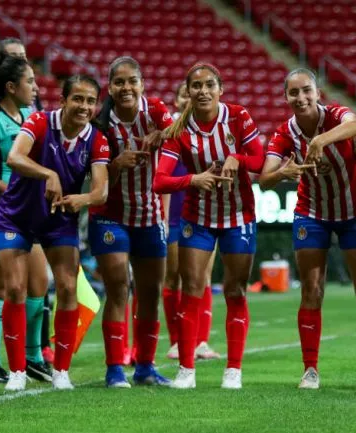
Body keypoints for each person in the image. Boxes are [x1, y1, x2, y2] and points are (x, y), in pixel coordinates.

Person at [257, 68, 356, 390]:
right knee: (311, 289)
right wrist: (281, 173)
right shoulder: (284, 133)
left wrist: (319, 139)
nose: (300, 98)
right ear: (286, 97)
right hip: (311, 213)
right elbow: (264, 177)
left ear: (318, 93)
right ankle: (310, 370)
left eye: (306, 91)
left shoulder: (336, 114)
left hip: (354, 210)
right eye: (293, 93)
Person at [0, 74, 110, 391]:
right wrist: (48, 174)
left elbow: (100, 192)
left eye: (90, 101)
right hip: (16, 216)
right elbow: (14, 157)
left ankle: (61, 371)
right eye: (78, 99)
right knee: (16, 289)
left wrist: (82, 198)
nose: (84, 106)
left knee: (68, 288)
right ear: (63, 101)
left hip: (59, 218)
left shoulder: (96, 140)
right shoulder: (39, 122)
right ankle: (17, 371)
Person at [154, 63, 264, 389]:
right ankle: (186, 370)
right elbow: (160, 180)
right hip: (197, 218)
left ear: (220, 89)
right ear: (188, 92)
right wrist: (193, 179)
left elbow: (259, 160)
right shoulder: (179, 130)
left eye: (209, 85)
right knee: (191, 289)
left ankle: (234, 370)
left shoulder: (238, 117)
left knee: (235, 290)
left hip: (238, 216)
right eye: (196, 86)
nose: (203, 91)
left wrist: (238, 159)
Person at [0, 38, 53, 367]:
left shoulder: (32, 113)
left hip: (29, 210)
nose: (35, 86)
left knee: (38, 283)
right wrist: (10, 190)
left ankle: (33, 356)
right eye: (30, 81)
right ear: (12, 86)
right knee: (2, 285)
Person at [88, 56, 172, 387]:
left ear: (141, 84)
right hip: (110, 216)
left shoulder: (154, 111)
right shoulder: (99, 124)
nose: (126, 88)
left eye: (132, 81)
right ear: (110, 87)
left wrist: (161, 134)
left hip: (149, 215)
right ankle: (114, 368)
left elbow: (179, 128)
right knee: (119, 287)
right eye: (119, 82)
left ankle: (146, 367)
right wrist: (114, 165)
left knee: (150, 292)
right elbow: (89, 174)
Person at [162, 81, 220, 362]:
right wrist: (161, 216)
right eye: (185, 94)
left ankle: (201, 342)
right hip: (175, 214)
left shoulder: (213, 130)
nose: (191, 98)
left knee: (203, 277)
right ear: (177, 102)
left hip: (206, 212)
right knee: (174, 277)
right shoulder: (169, 133)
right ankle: (176, 341)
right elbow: (160, 177)